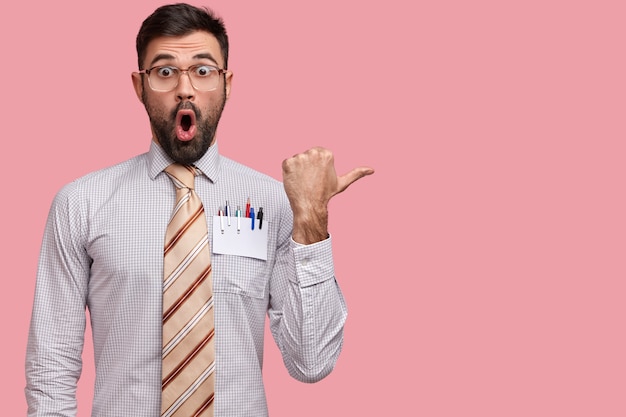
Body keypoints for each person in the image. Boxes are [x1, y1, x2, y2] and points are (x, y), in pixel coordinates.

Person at [24, 3, 374, 417]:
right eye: (165, 71)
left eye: (204, 70)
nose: (185, 89)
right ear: (140, 86)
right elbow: (52, 364)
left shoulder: (276, 203)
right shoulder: (81, 203)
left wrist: (312, 219)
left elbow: (311, 363)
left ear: (227, 84)